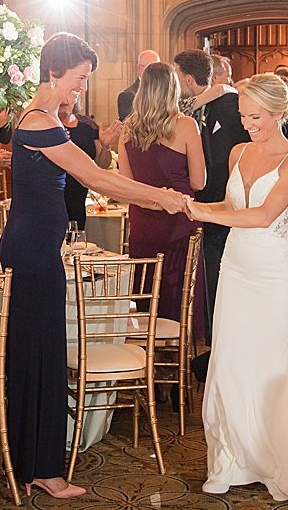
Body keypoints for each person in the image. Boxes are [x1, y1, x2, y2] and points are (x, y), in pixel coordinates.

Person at [2, 32, 187, 499]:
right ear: (53, 72)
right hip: (32, 251)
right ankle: (42, 469)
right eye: (79, 78)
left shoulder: (41, 118)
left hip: (34, 246)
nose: (81, 88)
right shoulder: (40, 122)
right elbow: (95, 176)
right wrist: (158, 196)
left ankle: (32, 462)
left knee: (38, 352)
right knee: (41, 353)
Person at [185, 74, 288, 500]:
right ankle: (236, 457)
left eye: (255, 117)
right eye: (243, 116)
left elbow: (262, 216)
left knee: (273, 361)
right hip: (236, 267)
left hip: (274, 272)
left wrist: (202, 211)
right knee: (232, 359)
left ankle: (278, 457)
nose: (248, 124)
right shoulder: (237, 151)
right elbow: (232, 206)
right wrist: (193, 208)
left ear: (279, 113)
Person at [119, 62, 207, 336]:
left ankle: (147, 348)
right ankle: (178, 346)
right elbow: (198, 182)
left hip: (143, 220)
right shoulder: (185, 125)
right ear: (173, 88)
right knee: (178, 287)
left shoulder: (128, 128)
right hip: (179, 220)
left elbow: (125, 181)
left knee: (148, 284)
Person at [174, 49, 252, 343]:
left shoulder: (230, 102)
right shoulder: (182, 108)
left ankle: (225, 335)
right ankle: (210, 336)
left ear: (189, 79)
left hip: (229, 201)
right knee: (207, 271)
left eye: (177, 76)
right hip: (199, 203)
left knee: (225, 271)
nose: (175, 81)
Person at [57, 96, 110, 229]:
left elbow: (102, 164)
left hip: (78, 196)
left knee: (76, 237)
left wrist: (105, 146)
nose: (64, 101)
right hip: (55, 197)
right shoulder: (48, 126)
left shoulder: (88, 125)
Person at [117, 49, 160, 121]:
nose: (155, 73)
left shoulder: (164, 91)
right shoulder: (127, 96)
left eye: (158, 69)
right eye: (150, 68)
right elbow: (130, 126)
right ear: (139, 69)